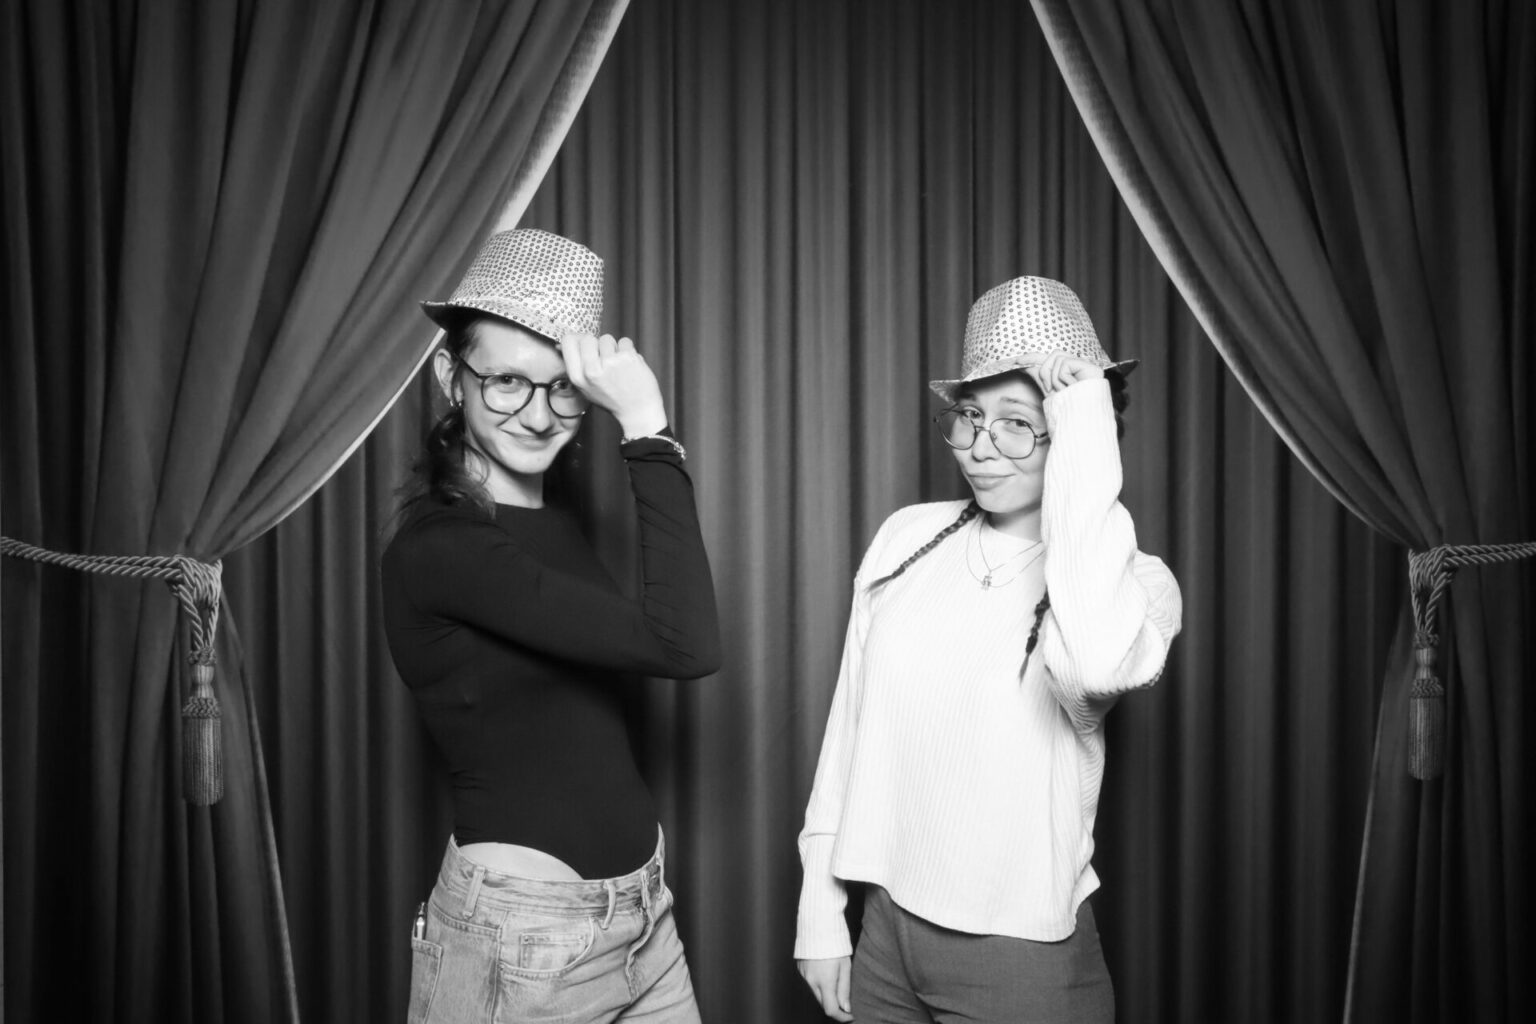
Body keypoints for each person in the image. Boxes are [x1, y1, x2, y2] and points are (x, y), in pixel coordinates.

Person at [794, 277, 1182, 1023]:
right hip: (884, 934)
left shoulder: (1137, 585)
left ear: (1078, 431)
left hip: (1020, 959)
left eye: (1017, 424)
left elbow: (1091, 665)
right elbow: (851, 731)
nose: (979, 449)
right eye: (970, 418)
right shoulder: (907, 536)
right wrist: (821, 909)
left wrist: (1086, 421)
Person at [381, 228, 721, 1024]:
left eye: (561, 387)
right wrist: (646, 425)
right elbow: (686, 643)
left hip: (644, 923)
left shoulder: (551, 523)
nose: (538, 415)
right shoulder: (445, 548)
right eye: (506, 381)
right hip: (523, 943)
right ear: (450, 377)